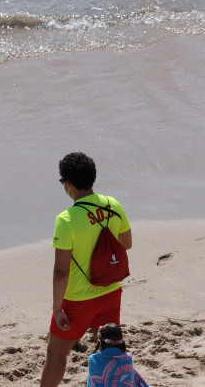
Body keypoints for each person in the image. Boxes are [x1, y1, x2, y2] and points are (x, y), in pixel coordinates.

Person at [40, 152, 133, 387]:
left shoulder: (66, 219)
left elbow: (61, 271)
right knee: (109, 350)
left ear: (68, 184)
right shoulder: (113, 205)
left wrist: (57, 307)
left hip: (77, 300)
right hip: (110, 291)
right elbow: (127, 243)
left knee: (56, 355)